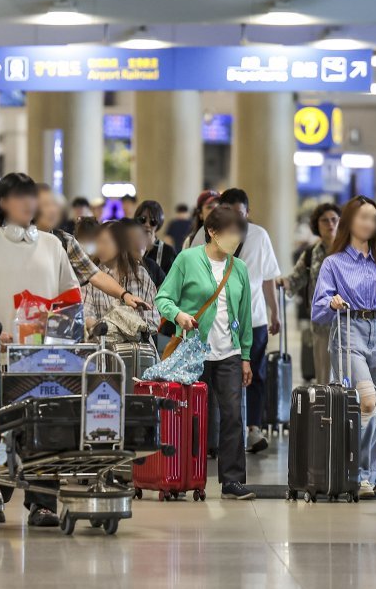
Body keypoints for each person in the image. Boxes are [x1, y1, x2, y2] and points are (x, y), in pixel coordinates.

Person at [0, 173, 78, 527]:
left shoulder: (51, 244)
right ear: (3, 203)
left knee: (47, 427)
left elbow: (70, 292)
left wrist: (67, 327)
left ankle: (42, 501)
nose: (29, 203)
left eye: (32, 197)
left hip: (45, 355)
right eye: (20, 197)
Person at [311, 195, 376, 496]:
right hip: (348, 330)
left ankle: (369, 475)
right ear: (349, 221)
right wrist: (332, 301)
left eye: (373, 218)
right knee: (366, 402)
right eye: (362, 217)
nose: (368, 223)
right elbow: (318, 309)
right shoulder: (333, 263)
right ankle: (350, 469)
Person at [156, 205, 255, 500]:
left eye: (239, 233)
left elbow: (245, 315)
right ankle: (181, 476)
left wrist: (246, 355)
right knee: (190, 418)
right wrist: (180, 316)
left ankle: (232, 480)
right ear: (211, 232)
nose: (235, 239)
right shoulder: (188, 259)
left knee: (232, 416)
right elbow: (163, 297)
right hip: (192, 351)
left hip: (229, 353)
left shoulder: (239, 268)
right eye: (230, 232)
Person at [197, 189, 282, 454]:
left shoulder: (259, 236)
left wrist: (274, 312)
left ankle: (252, 429)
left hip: (253, 318)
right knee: (217, 378)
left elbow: (268, 277)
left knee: (254, 373)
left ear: (248, 213)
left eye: (240, 214)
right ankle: (215, 434)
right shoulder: (205, 234)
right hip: (216, 321)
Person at [282, 202, 340, 385]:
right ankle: (327, 413)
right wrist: (282, 282)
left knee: (347, 377)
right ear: (317, 225)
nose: (330, 224)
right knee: (324, 376)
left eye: (334, 220)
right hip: (322, 324)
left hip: (349, 324)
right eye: (324, 221)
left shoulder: (350, 251)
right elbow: (295, 278)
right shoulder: (310, 254)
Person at [82, 221, 161, 331]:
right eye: (98, 243)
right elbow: (86, 316)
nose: (100, 247)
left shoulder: (140, 274)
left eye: (105, 242)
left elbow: (154, 321)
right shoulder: (94, 277)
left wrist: (127, 327)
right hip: (104, 344)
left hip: (138, 345)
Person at [135, 200, 176, 275]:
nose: (147, 225)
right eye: (143, 220)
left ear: (158, 224)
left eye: (152, 221)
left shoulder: (168, 252)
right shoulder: (129, 248)